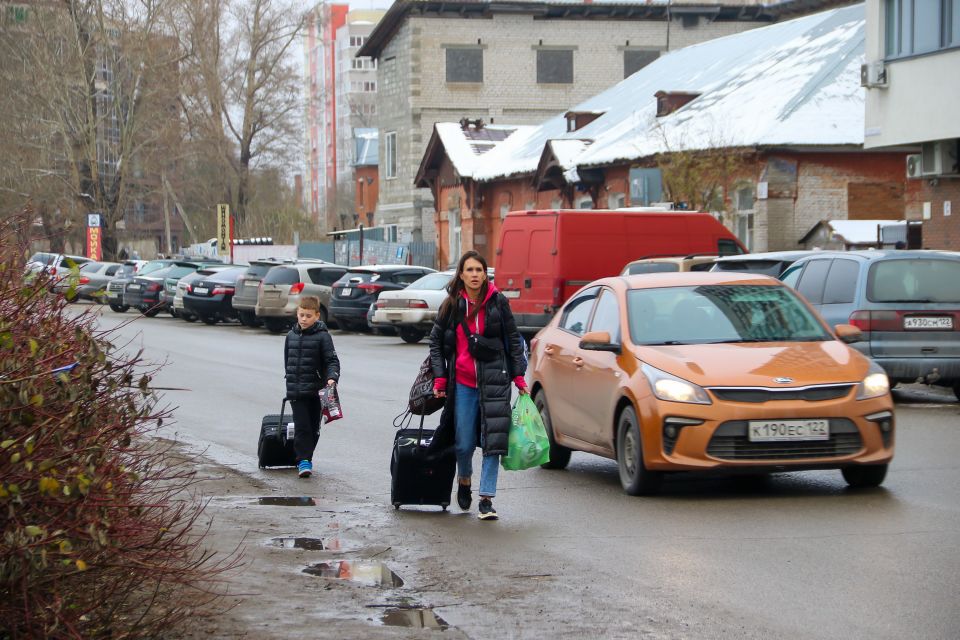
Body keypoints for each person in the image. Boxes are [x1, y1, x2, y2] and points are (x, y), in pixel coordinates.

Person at [429, 251, 527, 521]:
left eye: (479, 270)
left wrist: (518, 376)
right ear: (461, 274)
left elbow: (513, 339)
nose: (474, 275)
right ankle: (464, 480)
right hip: (462, 384)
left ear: (485, 274)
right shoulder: (451, 306)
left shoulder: (498, 303)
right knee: (463, 444)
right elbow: (436, 343)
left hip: (495, 381)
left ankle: (486, 499)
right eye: (469, 270)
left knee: (492, 442)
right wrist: (440, 377)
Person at [284, 296, 340, 478]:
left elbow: (332, 360)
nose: (304, 319)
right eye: (301, 315)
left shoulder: (323, 337)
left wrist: (332, 378)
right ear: (297, 314)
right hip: (296, 390)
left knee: (314, 428)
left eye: (308, 316)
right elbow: (287, 361)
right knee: (302, 427)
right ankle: (303, 460)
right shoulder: (291, 336)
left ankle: (306, 456)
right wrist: (290, 379)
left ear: (317, 316)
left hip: (316, 390)